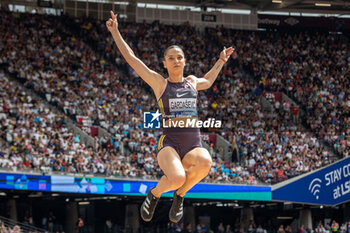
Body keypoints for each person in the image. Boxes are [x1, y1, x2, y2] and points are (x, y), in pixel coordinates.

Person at [106, 11, 235, 223]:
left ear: (184, 61)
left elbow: (209, 81)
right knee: (176, 177)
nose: (176, 60)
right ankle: (154, 194)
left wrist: (221, 60)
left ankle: (180, 196)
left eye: (179, 57)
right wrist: (115, 32)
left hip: (193, 144)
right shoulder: (160, 83)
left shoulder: (192, 82)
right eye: (171, 58)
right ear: (164, 63)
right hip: (170, 144)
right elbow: (132, 59)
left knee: (205, 161)